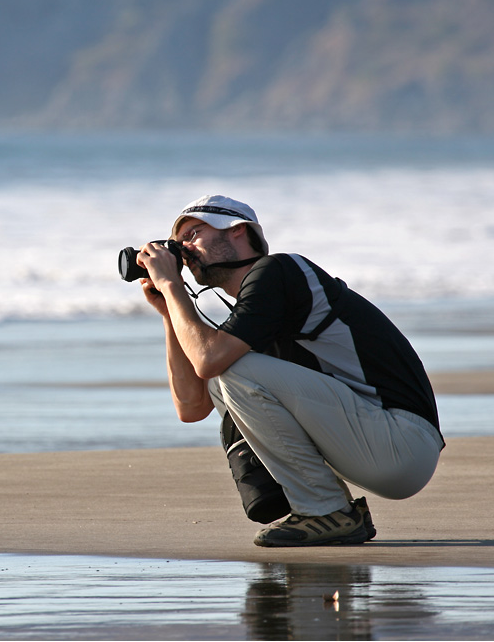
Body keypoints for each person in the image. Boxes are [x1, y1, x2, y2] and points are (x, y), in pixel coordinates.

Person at [136, 194, 444, 547]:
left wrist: (172, 285)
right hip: (379, 446)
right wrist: (169, 311)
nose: (184, 251)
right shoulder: (252, 320)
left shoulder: (281, 271)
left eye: (192, 234)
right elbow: (191, 407)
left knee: (234, 370)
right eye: (178, 245)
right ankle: (328, 508)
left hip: (402, 440)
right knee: (229, 372)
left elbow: (208, 360)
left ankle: (325, 510)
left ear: (237, 231)